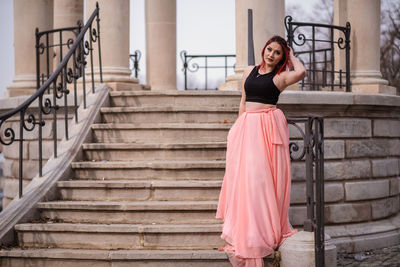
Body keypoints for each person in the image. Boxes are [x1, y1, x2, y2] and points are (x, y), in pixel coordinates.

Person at [216, 35, 306, 267]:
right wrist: (237, 128)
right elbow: (244, 100)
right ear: (263, 49)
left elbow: (302, 72)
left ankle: (261, 230)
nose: (271, 55)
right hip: (246, 127)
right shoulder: (249, 71)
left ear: (281, 58)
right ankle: (245, 226)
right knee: (244, 181)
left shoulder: (281, 76)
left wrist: (292, 55)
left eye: (277, 53)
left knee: (260, 181)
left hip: (266, 129)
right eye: (269, 49)